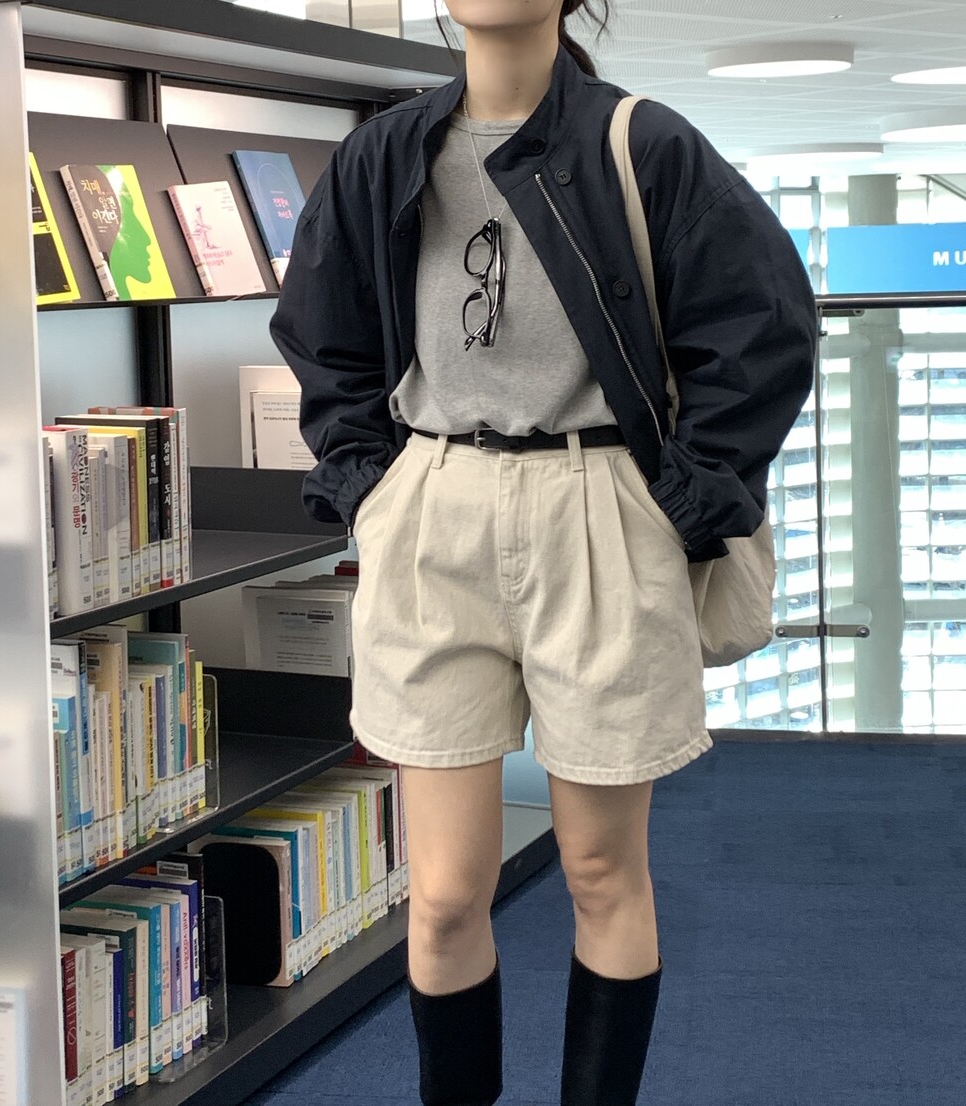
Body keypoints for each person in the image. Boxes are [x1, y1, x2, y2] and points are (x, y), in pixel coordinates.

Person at [270, 0, 817, 1100]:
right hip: (434, 505)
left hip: (597, 505)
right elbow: (323, 335)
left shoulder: (643, 142)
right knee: (442, 894)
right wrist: (373, 484)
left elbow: (763, 327)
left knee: (602, 868)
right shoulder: (385, 152)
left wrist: (677, 498)